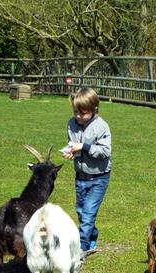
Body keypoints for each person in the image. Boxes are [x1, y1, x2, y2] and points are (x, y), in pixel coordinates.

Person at [61, 87, 111, 253]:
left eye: (82, 113)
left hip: (98, 178)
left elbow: (105, 151)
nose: (78, 116)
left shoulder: (101, 126)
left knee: (88, 213)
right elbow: (72, 143)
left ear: (94, 110)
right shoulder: (71, 124)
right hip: (80, 176)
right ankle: (92, 236)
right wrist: (71, 152)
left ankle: (81, 249)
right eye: (75, 112)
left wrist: (83, 146)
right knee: (82, 213)